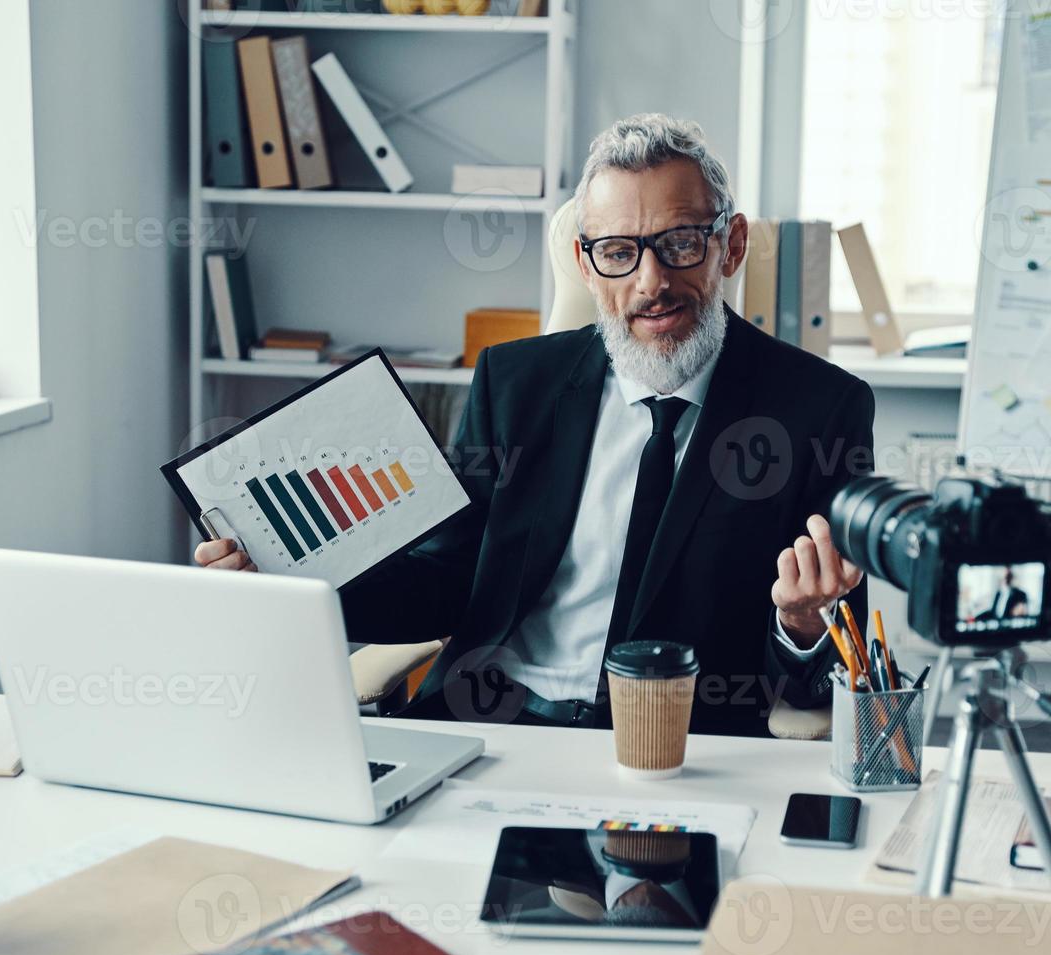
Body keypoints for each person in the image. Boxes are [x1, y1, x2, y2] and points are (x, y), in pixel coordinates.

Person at [197, 113, 875, 737]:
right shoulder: (515, 383)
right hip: (497, 722)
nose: (651, 283)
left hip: (681, 751)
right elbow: (448, 582)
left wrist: (802, 621)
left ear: (730, 246)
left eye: (680, 244)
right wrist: (294, 581)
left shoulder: (820, 408)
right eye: (618, 252)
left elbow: (832, 666)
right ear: (585, 263)